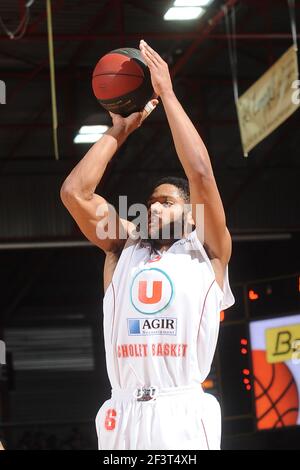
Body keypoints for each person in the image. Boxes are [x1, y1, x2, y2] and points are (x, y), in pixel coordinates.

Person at [60, 40, 234, 450]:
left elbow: (201, 173)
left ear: (192, 215)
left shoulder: (207, 251)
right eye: (151, 202)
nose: (154, 208)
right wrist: (119, 130)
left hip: (181, 412)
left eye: (167, 202)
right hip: (122, 411)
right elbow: (75, 193)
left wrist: (168, 95)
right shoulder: (123, 248)